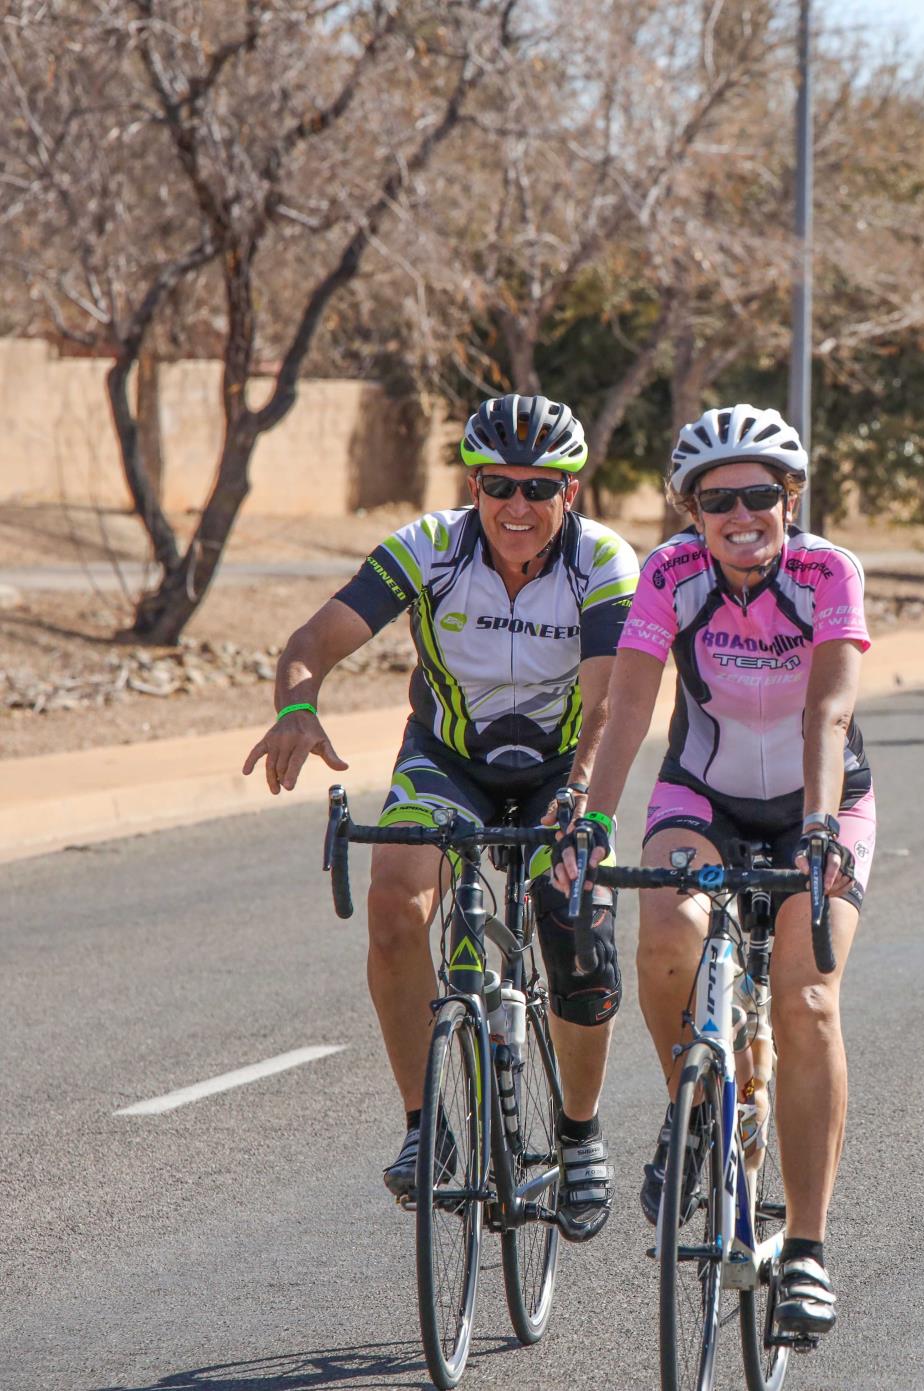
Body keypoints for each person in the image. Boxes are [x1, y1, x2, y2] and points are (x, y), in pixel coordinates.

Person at [242, 393, 637, 1241]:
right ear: (475, 484)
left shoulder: (603, 560)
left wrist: (580, 800)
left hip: (560, 770)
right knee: (393, 900)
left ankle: (579, 1132)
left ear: (573, 489)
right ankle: (428, 1127)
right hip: (447, 760)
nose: (518, 505)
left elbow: (606, 704)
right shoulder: (430, 547)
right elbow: (312, 641)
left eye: (541, 486)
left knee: (572, 925)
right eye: (500, 484)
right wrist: (296, 708)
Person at [558, 402, 871, 1341]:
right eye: (715, 499)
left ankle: (808, 1249)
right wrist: (594, 818)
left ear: (791, 498)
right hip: (703, 794)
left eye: (760, 495)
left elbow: (829, 711)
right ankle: (695, 1111)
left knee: (806, 1000)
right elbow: (628, 709)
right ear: (691, 510)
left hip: (822, 801)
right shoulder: (670, 573)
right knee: (664, 939)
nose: (741, 515)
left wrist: (818, 830)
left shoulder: (828, 572)